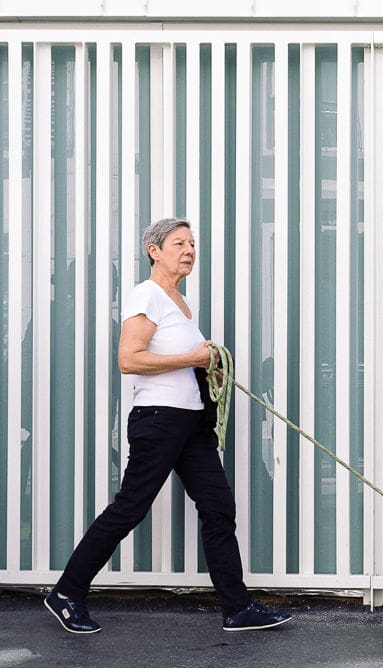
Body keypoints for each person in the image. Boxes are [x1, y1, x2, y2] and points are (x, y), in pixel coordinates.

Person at [44, 218, 291, 634]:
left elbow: (183, 361)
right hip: (159, 420)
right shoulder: (148, 295)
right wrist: (192, 360)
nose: (189, 249)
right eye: (179, 243)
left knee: (218, 509)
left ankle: (238, 608)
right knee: (129, 508)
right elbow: (130, 359)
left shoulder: (181, 302)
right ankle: (66, 593)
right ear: (154, 251)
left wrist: (208, 367)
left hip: (191, 424)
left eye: (193, 243)